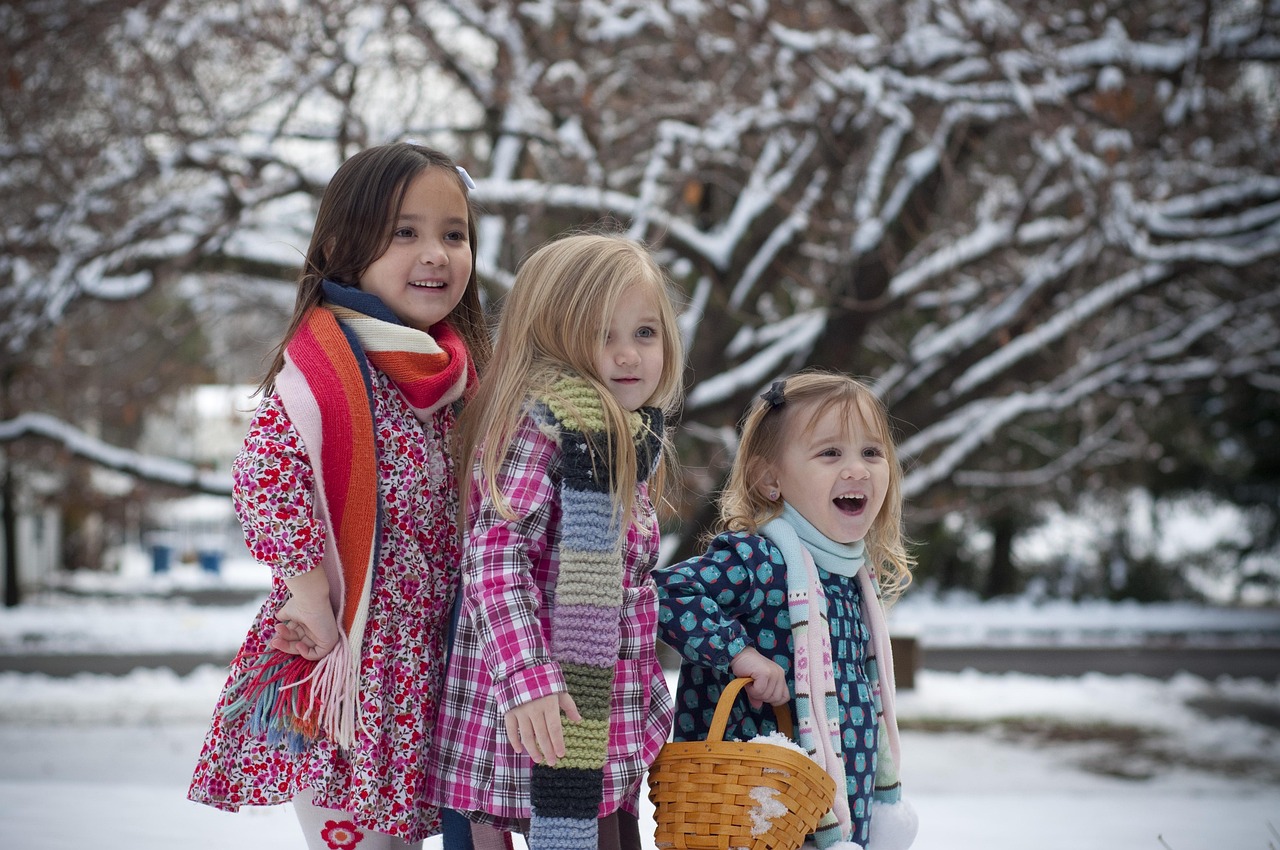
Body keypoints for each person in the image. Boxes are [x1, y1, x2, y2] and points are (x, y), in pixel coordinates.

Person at [187, 142, 492, 850]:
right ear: (342, 249)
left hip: (430, 660)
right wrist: (307, 596)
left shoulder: (459, 380)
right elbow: (266, 478)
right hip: (345, 659)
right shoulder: (323, 372)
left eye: (454, 234)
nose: (436, 254)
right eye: (405, 232)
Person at [427, 233, 685, 850]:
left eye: (645, 332)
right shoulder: (543, 428)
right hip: (532, 721)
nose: (628, 354)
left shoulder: (621, 438)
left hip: (597, 719)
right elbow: (495, 558)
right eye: (602, 335)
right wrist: (528, 676)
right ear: (552, 337)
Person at [653, 371, 918, 850]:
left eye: (871, 452)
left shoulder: (852, 579)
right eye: (830, 453)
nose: (857, 470)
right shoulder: (759, 560)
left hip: (843, 809)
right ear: (770, 478)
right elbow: (670, 592)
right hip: (756, 815)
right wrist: (740, 654)